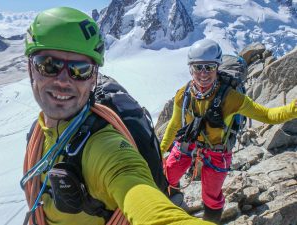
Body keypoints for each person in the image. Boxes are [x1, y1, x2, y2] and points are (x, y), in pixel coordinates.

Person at [20, 7, 215, 225]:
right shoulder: (37, 135)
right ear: (30, 68)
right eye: (48, 65)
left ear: (94, 78)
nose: (63, 81)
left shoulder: (105, 148)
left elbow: (139, 191)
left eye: (80, 69)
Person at [160, 38, 297, 224]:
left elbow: (267, 115)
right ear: (190, 68)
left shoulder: (231, 98)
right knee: (168, 173)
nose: (203, 73)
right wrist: (160, 151)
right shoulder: (183, 95)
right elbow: (175, 125)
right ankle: (175, 204)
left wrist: (293, 109)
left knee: (211, 196)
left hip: (218, 151)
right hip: (190, 139)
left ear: (217, 67)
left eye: (209, 67)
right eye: (198, 67)